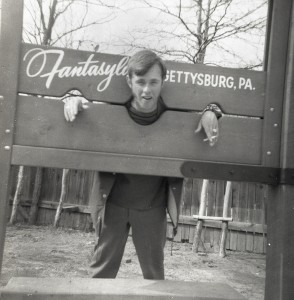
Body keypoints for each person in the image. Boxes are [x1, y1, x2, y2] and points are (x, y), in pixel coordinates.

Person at [63, 50, 221, 280]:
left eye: (154, 82)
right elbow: (80, 98)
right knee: (101, 273)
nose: (147, 90)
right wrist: (73, 96)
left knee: (154, 275)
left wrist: (211, 112)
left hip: (152, 207)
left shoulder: (176, 113)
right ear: (129, 81)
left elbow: (212, 107)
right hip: (113, 203)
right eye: (140, 82)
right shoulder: (111, 108)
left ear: (162, 83)